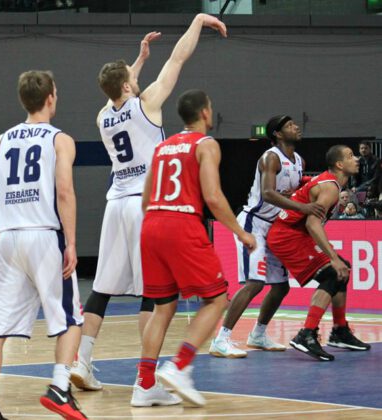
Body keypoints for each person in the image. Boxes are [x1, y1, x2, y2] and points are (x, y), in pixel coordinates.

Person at [72, 15, 228, 405]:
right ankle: (148, 381)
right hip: (148, 204)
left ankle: (82, 358)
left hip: (115, 203)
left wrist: (137, 61)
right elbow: (177, 59)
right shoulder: (149, 104)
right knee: (155, 296)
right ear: (127, 85)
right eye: (132, 76)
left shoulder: (102, 116)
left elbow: (116, 91)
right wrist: (197, 23)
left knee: (102, 289)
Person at [136, 89, 256, 407]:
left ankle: (144, 385)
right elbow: (213, 197)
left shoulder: (161, 148)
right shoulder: (206, 145)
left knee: (162, 307)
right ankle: (179, 366)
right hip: (181, 222)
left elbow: (146, 200)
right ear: (204, 112)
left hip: (151, 225)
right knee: (217, 299)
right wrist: (240, 232)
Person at [0, 71, 86, 420]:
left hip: (8, 238)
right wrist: (70, 242)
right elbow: (65, 192)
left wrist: (1, 235)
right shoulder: (60, 140)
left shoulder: (1, 140)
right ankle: (59, 388)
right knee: (71, 318)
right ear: (51, 97)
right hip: (44, 234)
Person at [210, 116, 325, 358]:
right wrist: (303, 208)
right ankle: (221, 339)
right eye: (290, 125)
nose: (296, 127)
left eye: (295, 123)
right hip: (254, 223)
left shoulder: (300, 161)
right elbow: (269, 193)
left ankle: (259, 334)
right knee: (254, 283)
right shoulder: (271, 157)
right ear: (278, 134)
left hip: (275, 227)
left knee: (281, 287)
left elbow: (292, 191)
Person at [267, 145, 370, 361]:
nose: (357, 159)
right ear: (340, 165)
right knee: (333, 271)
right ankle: (306, 334)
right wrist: (332, 258)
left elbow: (309, 186)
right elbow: (313, 224)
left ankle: (340, 331)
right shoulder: (331, 188)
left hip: (295, 233)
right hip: (288, 236)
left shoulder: (328, 182)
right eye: (351, 156)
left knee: (343, 268)